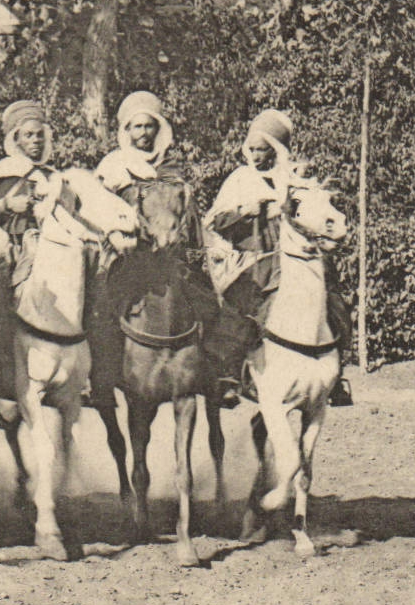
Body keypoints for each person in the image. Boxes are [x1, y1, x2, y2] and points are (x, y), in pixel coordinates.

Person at [202, 110, 353, 405]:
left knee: (330, 300)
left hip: (293, 257)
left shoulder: (292, 179)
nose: (257, 155)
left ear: (275, 151)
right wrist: (245, 210)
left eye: (263, 150)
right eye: (253, 149)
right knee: (240, 307)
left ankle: (335, 374)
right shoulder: (240, 179)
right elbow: (214, 221)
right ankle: (231, 375)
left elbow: (308, 213)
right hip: (254, 256)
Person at [86, 91, 218, 410]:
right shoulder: (112, 167)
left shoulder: (172, 166)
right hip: (129, 255)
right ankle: (102, 378)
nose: (144, 134)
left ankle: (214, 374)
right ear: (126, 131)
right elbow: (94, 209)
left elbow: (189, 213)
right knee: (101, 305)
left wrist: (182, 236)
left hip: (172, 255)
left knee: (207, 300)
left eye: (149, 127)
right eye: (137, 127)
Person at [0, 100, 55, 427]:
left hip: (46, 251)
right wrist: (5, 204)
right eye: (28, 136)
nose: (35, 141)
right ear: (15, 140)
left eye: (40, 136)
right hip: (7, 255)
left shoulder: (52, 177)